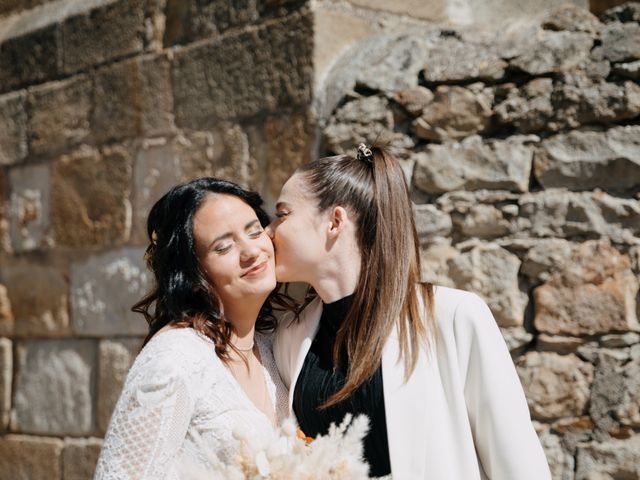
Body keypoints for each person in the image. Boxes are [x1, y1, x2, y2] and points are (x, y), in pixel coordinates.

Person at [268, 144, 551, 479]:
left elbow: (518, 464)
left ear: (335, 221)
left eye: (283, 214)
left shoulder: (454, 317)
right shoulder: (290, 337)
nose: (270, 231)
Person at [94, 178, 288, 480]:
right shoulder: (175, 359)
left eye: (254, 231)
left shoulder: (273, 349)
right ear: (194, 273)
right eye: (223, 247)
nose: (251, 250)